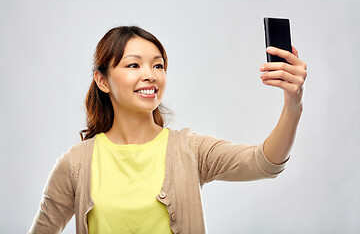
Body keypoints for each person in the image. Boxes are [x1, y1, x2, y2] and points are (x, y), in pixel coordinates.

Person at [28, 26, 307, 234]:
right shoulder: (75, 164)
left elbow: (264, 162)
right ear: (102, 81)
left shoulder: (189, 149)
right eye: (134, 64)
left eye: (158, 65)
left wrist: (293, 103)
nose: (150, 74)